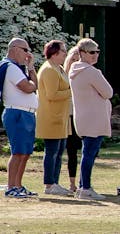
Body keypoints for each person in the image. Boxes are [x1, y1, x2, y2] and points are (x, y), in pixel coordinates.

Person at [62, 39, 109, 200]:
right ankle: (85, 187)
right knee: (89, 153)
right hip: (94, 118)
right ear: (82, 53)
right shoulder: (91, 72)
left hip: (82, 117)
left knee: (87, 152)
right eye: (91, 52)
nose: (95, 55)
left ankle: (83, 185)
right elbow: (108, 92)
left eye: (97, 52)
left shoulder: (73, 71)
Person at [3, 38, 39, 198]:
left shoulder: (19, 68)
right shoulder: (10, 67)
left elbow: (34, 85)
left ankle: (18, 185)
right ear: (15, 49)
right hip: (17, 112)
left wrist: (31, 68)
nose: (28, 54)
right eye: (25, 50)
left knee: (25, 152)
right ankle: (11, 186)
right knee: (18, 152)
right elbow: (28, 87)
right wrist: (31, 81)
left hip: (26, 112)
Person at [35, 40, 72, 197]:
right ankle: (49, 184)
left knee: (59, 151)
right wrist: (71, 92)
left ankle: (55, 182)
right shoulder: (49, 69)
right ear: (55, 53)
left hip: (62, 117)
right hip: (51, 117)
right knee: (52, 152)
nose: (65, 53)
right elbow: (51, 94)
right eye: (63, 51)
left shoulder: (60, 68)